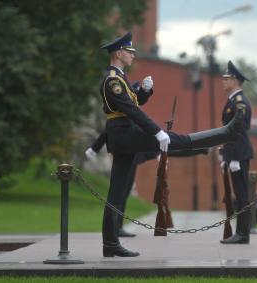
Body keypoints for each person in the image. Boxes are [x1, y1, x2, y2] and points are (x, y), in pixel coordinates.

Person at [99, 31, 243, 257]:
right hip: (125, 134)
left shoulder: (119, 78)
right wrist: (157, 132)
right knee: (171, 139)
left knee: (116, 193)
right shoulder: (113, 80)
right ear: (119, 53)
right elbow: (131, 110)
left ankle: (110, 244)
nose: (133, 55)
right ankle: (220, 135)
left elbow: (133, 102)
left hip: (123, 135)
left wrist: (143, 91)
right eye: (129, 51)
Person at [219, 60, 254, 244]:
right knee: (239, 194)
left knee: (242, 195)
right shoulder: (233, 100)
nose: (223, 81)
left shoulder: (239, 102)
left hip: (239, 155)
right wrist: (225, 155)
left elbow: (239, 130)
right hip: (234, 154)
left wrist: (233, 158)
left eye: (226, 79)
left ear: (235, 80)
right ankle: (241, 233)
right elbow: (228, 131)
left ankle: (242, 234)